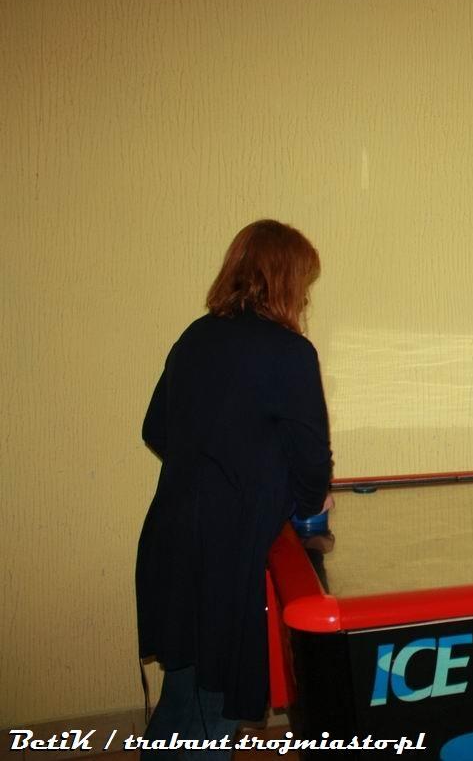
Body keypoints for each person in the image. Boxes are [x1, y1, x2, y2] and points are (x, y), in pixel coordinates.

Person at [135, 220, 334, 757]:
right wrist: (304, 500)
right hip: (225, 554)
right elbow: (312, 461)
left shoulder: (195, 337)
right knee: (211, 712)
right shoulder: (290, 352)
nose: (305, 296)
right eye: (303, 282)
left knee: (181, 696)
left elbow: (155, 429)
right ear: (285, 279)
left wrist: (219, 463)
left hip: (170, 538)